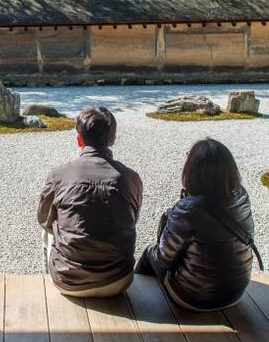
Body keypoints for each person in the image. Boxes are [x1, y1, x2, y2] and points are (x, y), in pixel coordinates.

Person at [136, 138, 256, 310]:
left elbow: (164, 258)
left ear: (194, 170)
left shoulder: (189, 209)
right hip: (236, 292)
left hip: (194, 296)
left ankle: (136, 303)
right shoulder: (242, 196)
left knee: (149, 252)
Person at [38, 107, 142, 297]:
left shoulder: (59, 175)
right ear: (112, 140)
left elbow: (44, 219)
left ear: (79, 139)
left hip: (69, 282)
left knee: (49, 229)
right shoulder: (130, 178)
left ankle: (51, 279)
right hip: (118, 279)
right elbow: (132, 219)